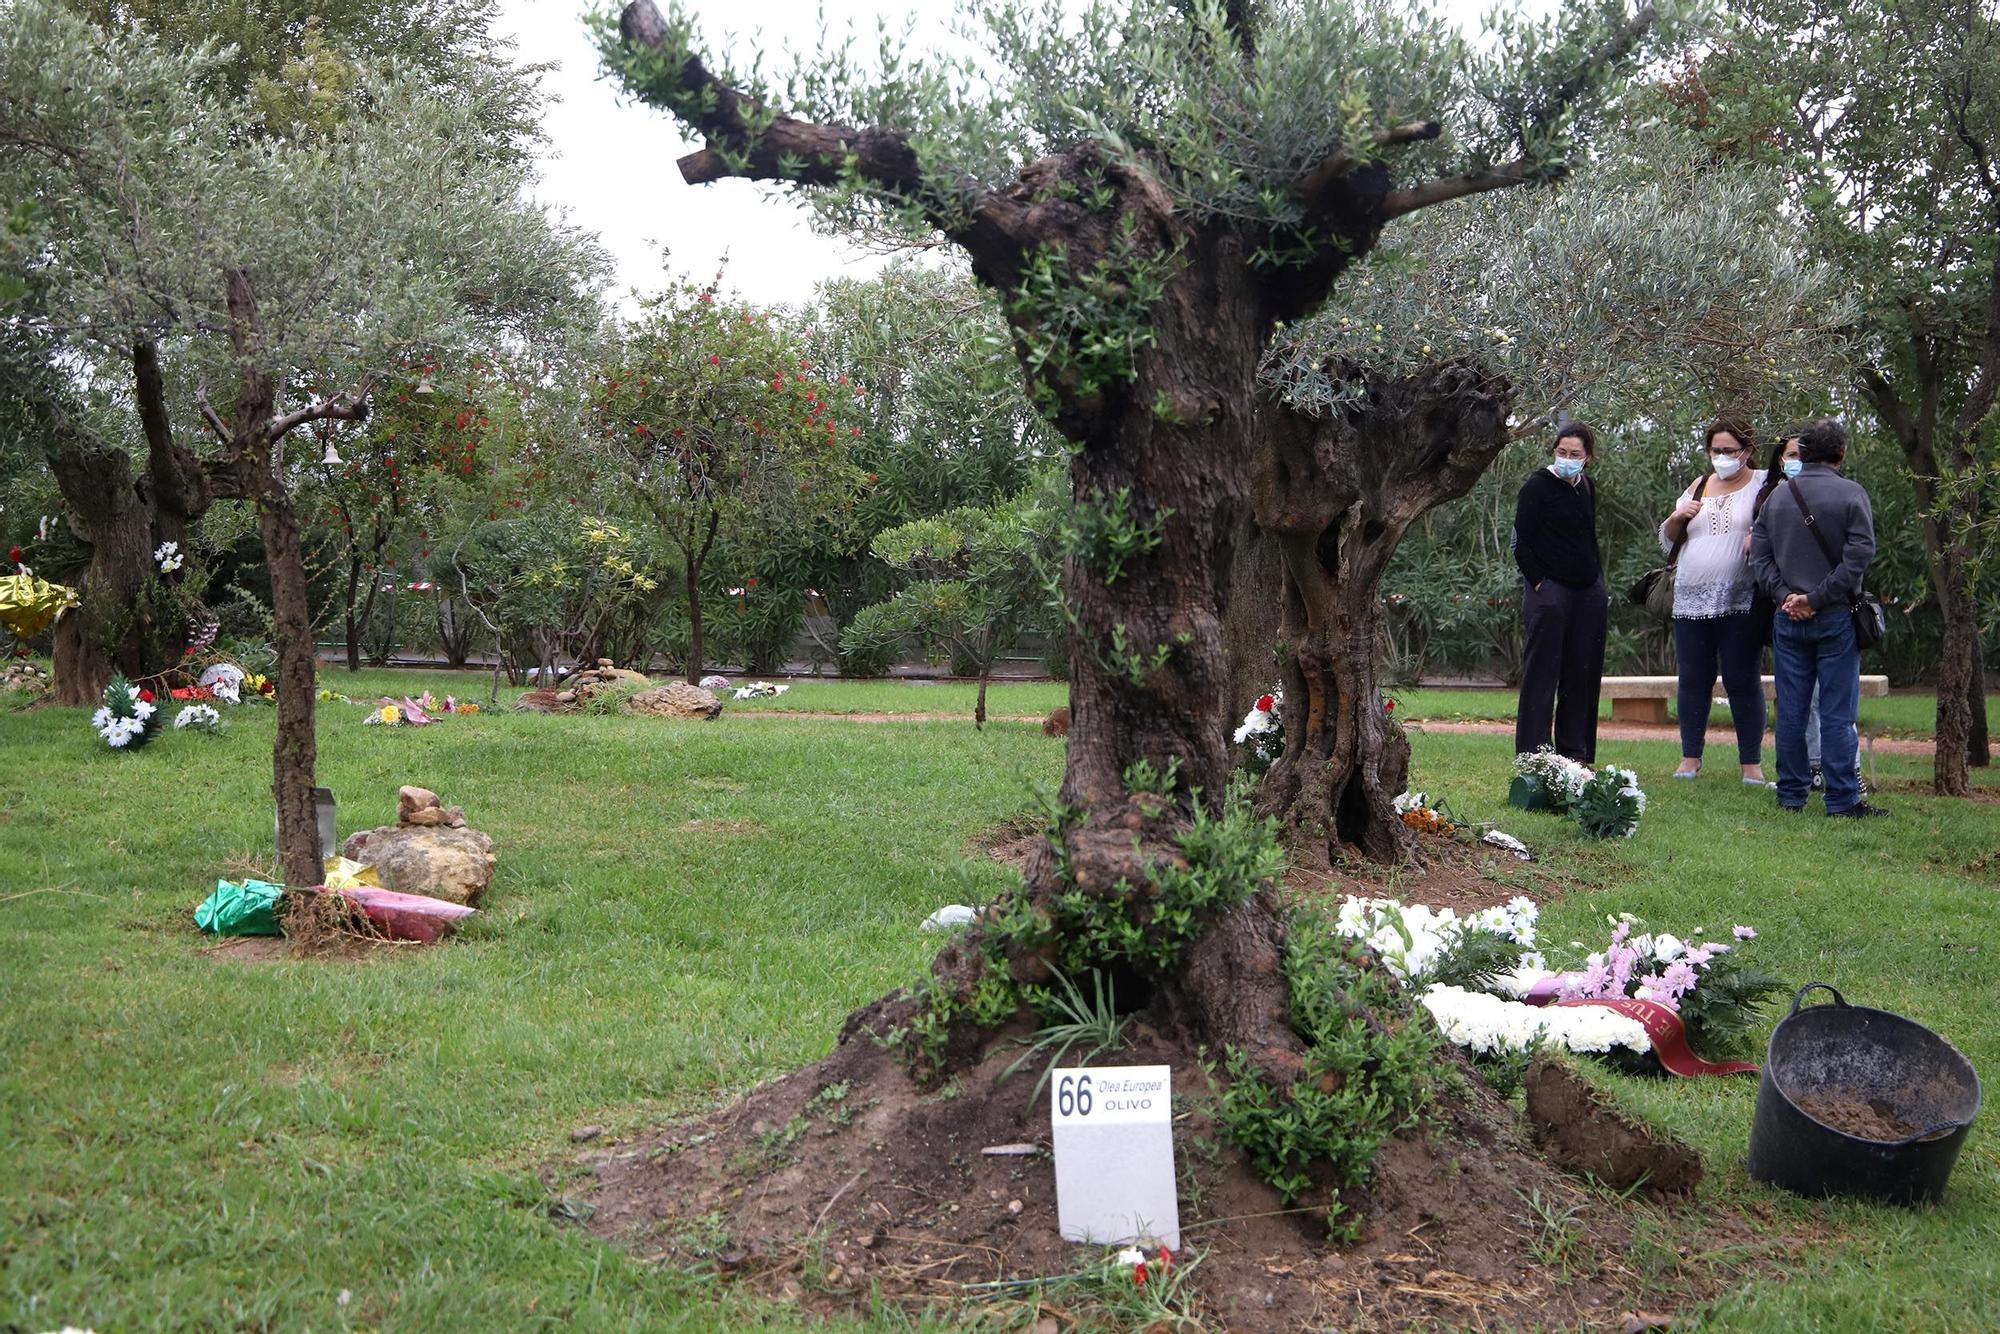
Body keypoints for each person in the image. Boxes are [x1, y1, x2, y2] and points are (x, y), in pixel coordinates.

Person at [1747, 418, 1885, 817]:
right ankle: (1842, 800)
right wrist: (1818, 598)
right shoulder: (1851, 493)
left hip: (1787, 618)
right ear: (1841, 452)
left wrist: (1786, 596)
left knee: (1791, 710)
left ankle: (1791, 794)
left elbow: (1760, 556)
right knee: (1838, 713)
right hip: (1836, 616)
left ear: (1801, 454)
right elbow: (1859, 556)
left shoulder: (1776, 498)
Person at [1660, 417, 1768, 784]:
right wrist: (1677, 517)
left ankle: (1750, 762)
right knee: (1692, 678)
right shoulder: (1699, 485)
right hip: (1690, 598)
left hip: (1741, 598)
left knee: (1742, 678)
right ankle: (1690, 756)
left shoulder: (1763, 484)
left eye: (1729, 450)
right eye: (1715, 450)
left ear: (1747, 451)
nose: (1721, 457)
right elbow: (1670, 538)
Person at [1514, 421, 1609, 764]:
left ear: (1588, 458)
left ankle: (1576, 753)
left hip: (1588, 591)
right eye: (1562, 452)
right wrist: (1541, 584)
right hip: (1550, 592)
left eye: (1575, 454)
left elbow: (1588, 537)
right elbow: (1521, 543)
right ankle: (1534, 755)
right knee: (1542, 673)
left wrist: (1598, 583)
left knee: (1581, 671)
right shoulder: (1537, 487)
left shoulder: (1587, 487)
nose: (1567, 458)